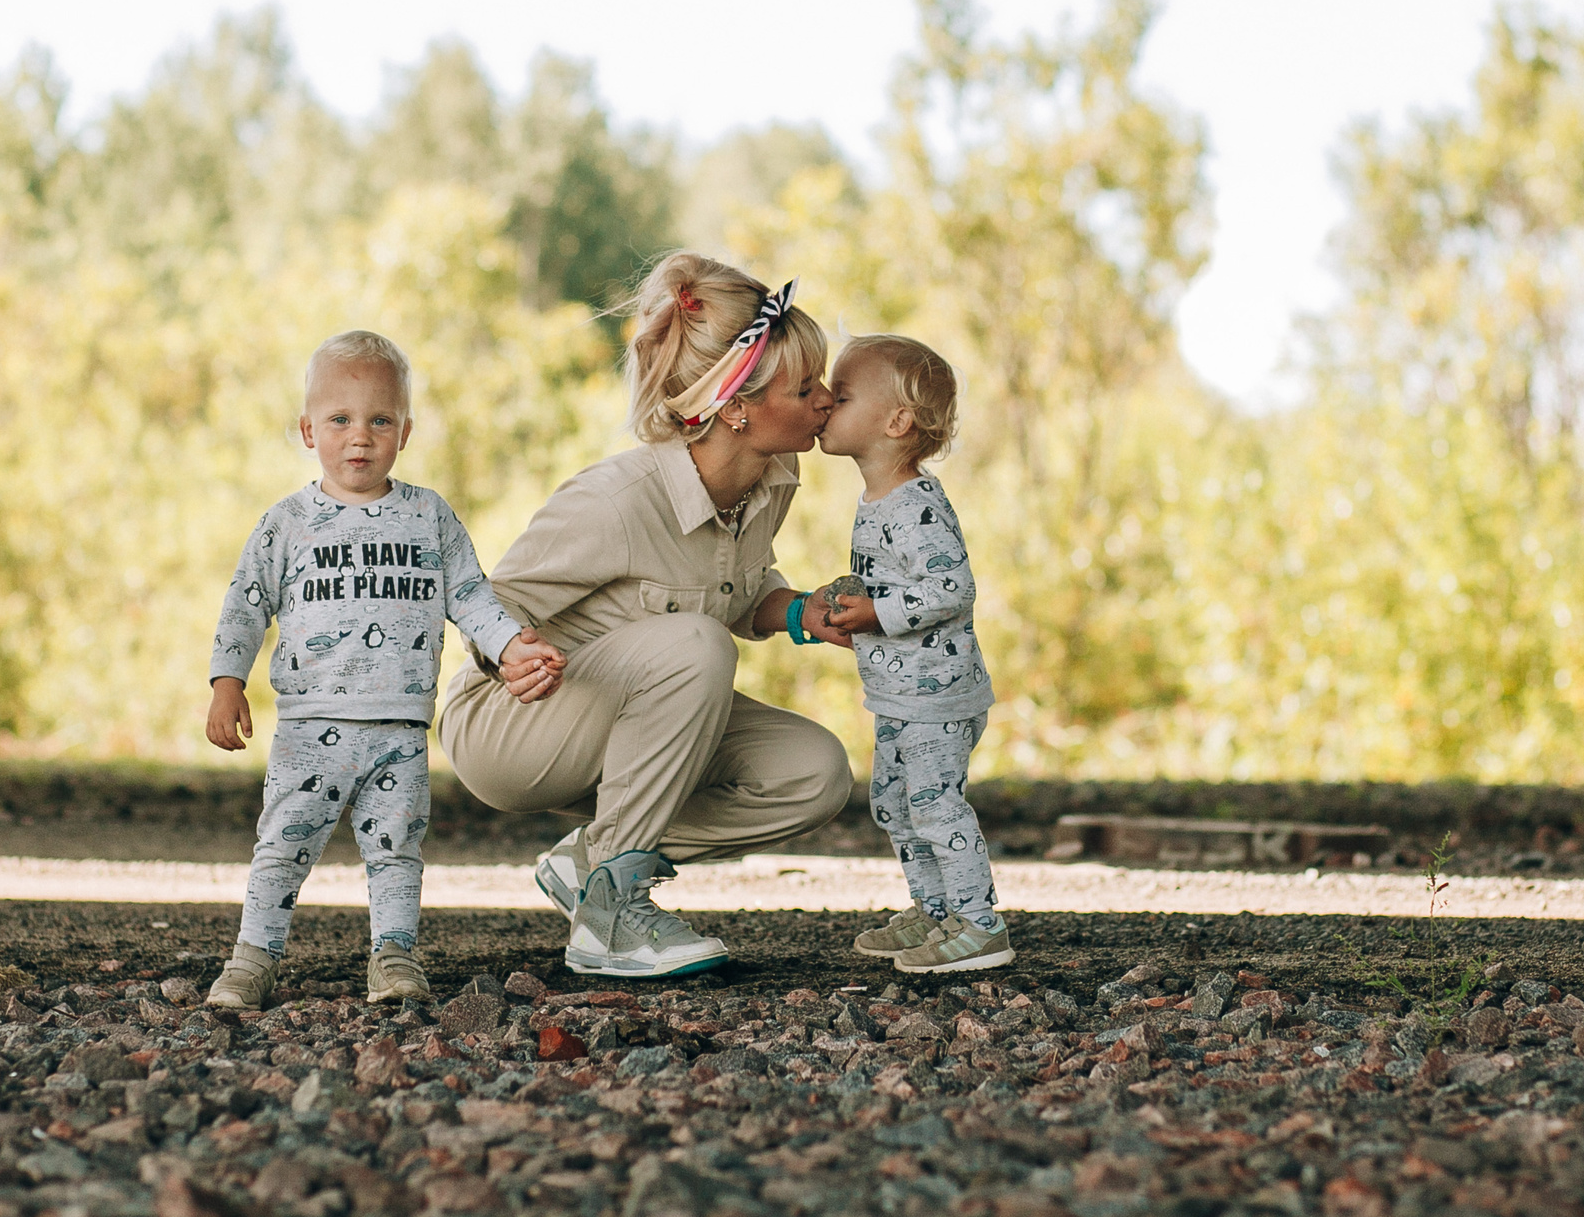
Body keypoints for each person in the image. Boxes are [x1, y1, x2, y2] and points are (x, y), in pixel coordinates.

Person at [437, 253, 855, 977]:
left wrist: (799, 612)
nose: (827, 399)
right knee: (695, 648)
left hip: (634, 713)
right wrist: (510, 650)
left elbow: (734, 590)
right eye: (806, 386)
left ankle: (591, 863)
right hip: (510, 725)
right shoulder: (618, 499)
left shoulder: (770, 479)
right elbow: (487, 600)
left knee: (814, 773)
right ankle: (610, 922)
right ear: (737, 408)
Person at [201, 330, 566, 1010]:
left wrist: (512, 646)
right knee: (281, 845)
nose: (359, 437)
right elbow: (245, 603)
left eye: (379, 420)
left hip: (398, 725)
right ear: (308, 429)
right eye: (339, 419)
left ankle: (394, 954)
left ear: (405, 430)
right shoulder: (289, 523)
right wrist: (228, 680)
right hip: (311, 724)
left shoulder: (428, 517)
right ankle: (252, 957)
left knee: (396, 850)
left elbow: (471, 597)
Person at [819, 334, 1012, 973]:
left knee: (934, 803)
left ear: (895, 422)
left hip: (939, 695)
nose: (823, 402)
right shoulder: (879, 499)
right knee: (894, 803)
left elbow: (952, 588)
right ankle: (935, 911)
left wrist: (878, 612)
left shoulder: (916, 504)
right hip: (900, 692)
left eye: (840, 395)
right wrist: (858, 604)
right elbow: (902, 585)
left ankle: (980, 925)